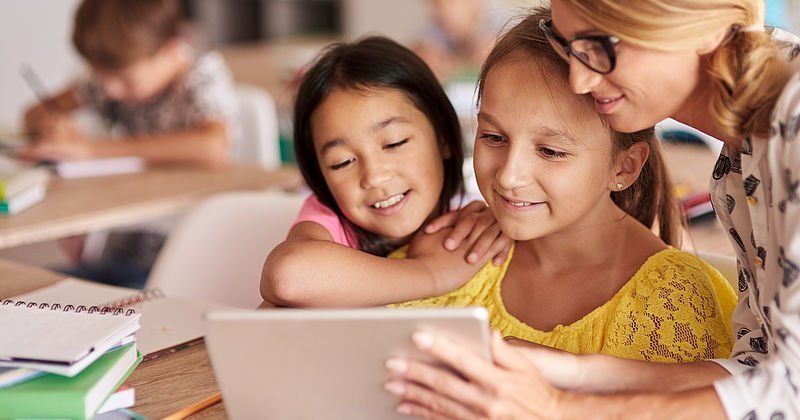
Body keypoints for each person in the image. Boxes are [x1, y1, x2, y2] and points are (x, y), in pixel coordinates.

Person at [386, 1, 800, 419]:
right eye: (568, 46)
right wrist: (574, 371)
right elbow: (758, 373)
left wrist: (557, 408)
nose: (580, 79)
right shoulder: (746, 155)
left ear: (707, 28)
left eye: (600, 45)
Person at [260, 36, 509, 308]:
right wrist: (430, 274)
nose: (374, 177)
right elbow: (288, 277)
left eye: (394, 143)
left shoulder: (471, 222)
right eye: (342, 162)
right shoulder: (328, 221)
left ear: (442, 137)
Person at [21, 0, 238, 288]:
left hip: (186, 256)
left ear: (171, 49)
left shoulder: (201, 76)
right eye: (102, 75)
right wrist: (52, 126)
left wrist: (90, 150)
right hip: (120, 248)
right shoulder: (111, 76)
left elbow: (213, 147)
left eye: (124, 78)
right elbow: (33, 114)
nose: (110, 88)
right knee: (30, 291)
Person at [411, 0, 503, 83]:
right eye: (435, 2)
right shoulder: (432, 31)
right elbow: (421, 47)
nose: (443, 10)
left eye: (450, 1)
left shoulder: (503, 28)